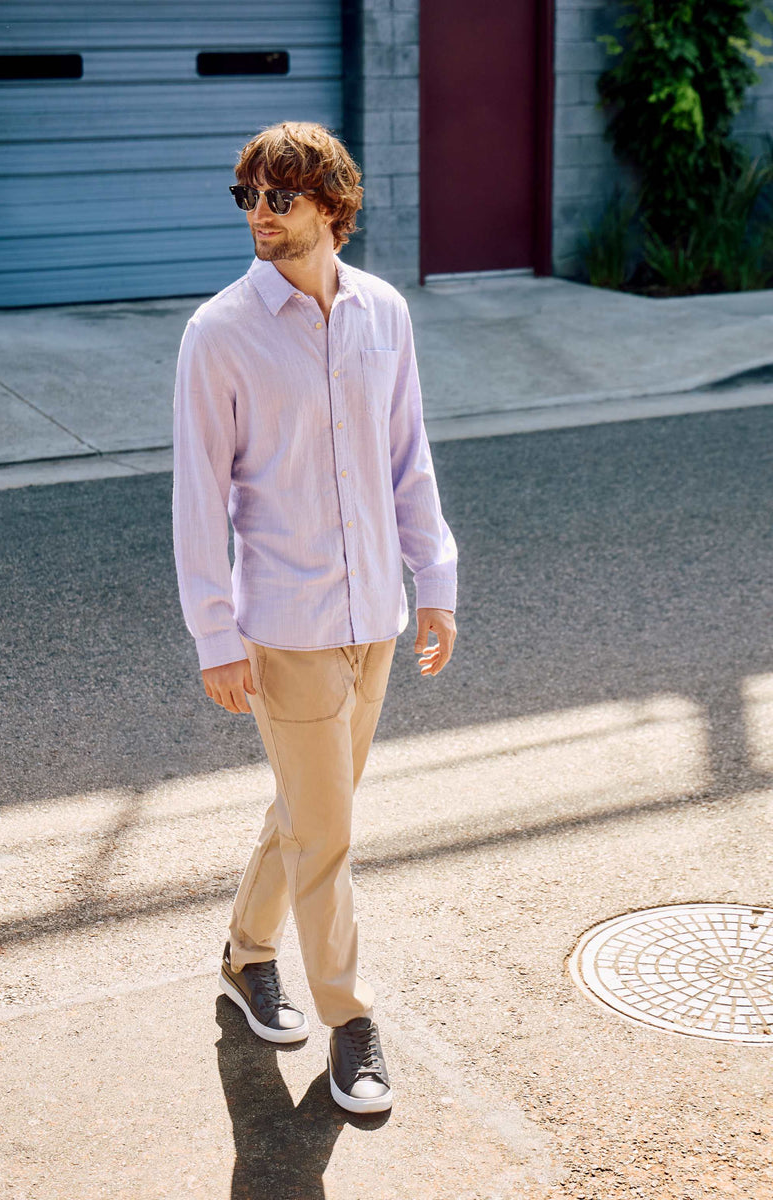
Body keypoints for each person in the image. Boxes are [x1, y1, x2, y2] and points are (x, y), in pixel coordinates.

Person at [172, 121, 457, 1115]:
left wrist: (434, 576)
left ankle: (245, 953)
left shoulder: (383, 313)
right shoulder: (218, 333)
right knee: (328, 836)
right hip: (285, 627)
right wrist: (215, 634)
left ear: (331, 207)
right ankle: (350, 1023)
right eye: (248, 196)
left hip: (373, 614)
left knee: (306, 812)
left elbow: (407, 457)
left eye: (279, 196)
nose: (258, 212)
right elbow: (200, 497)